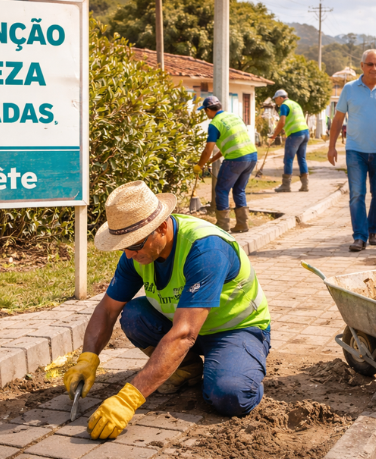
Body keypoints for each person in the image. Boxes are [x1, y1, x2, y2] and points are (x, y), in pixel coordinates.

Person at [63, 181, 271, 440]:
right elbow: (107, 310)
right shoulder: (135, 253)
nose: (128, 255)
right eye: (123, 246)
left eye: (134, 245)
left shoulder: (205, 249)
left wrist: (129, 399)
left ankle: (241, 369)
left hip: (235, 330)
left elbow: (184, 335)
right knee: (134, 315)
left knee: (230, 395)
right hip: (187, 329)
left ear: (161, 227)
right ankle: (189, 367)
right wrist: (87, 358)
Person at [327, 49, 376, 252]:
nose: (374, 68)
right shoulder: (349, 89)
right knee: (357, 194)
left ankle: (373, 230)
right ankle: (359, 236)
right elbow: (338, 119)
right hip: (355, 151)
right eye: (370, 64)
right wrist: (331, 146)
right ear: (362, 66)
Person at [195, 96, 258, 233]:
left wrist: (199, 166)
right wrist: (211, 161)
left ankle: (223, 226)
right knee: (239, 189)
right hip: (251, 156)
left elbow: (207, 150)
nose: (206, 115)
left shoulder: (214, 124)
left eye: (205, 111)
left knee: (221, 190)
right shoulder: (233, 117)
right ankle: (243, 224)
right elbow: (231, 144)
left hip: (236, 159)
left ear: (208, 110)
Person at [268, 90, 310, 193]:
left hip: (295, 134)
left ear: (281, 98)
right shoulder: (295, 104)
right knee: (302, 158)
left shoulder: (284, 105)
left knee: (288, 159)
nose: (276, 100)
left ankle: (286, 186)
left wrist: (274, 135)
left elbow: (282, 122)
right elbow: (293, 119)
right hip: (305, 132)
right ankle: (305, 185)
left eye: (276, 98)